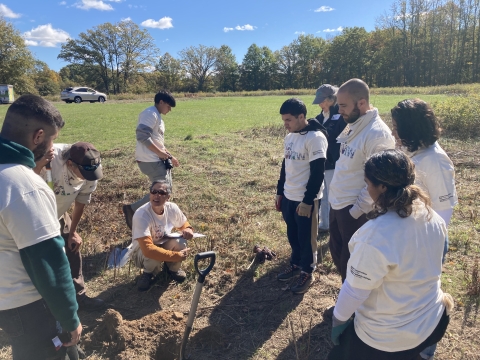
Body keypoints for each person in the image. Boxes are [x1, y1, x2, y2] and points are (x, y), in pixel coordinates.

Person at [328, 149, 453, 360]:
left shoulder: (374, 236)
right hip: (431, 321)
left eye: (368, 183)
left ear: (382, 187)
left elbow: (355, 291)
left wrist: (338, 320)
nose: (366, 189)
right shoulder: (432, 217)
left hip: (386, 339)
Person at [0, 95, 82, 359]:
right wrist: (70, 319)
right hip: (27, 303)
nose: (52, 146)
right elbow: (49, 264)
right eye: (52, 138)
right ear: (38, 136)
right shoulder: (23, 186)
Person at [391, 99, 458, 360]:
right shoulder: (413, 153)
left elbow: (444, 210)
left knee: (424, 294)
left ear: (411, 128)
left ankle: (426, 347)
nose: (393, 132)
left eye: (397, 127)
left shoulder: (435, 160)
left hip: (427, 240)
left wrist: (427, 243)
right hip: (409, 236)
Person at [328, 78, 395, 282]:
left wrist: (356, 210)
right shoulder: (353, 124)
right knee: (339, 254)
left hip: (354, 210)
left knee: (355, 261)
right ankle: (347, 302)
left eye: (343, 106)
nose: (339, 111)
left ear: (362, 103)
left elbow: (380, 180)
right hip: (338, 203)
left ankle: (356, 310)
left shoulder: (377, 134)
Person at [34, 142, 105, 311]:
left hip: (58, 212)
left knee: (73, 249)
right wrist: (38, 165)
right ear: (70, 164)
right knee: (43, 259)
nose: (89, 178)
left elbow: (80, 204)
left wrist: (73, 232)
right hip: (36, 215)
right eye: (85, 173)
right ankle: (46, 304)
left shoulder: (90, 171)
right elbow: (23, 180)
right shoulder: (49, 158)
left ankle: (79, 296)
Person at [275, 98, 328, 294]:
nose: (285, 124)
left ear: (301, 117)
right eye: (283, 120)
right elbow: (285, 166)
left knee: (307, 238)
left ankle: (308, 270)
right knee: (293, 234)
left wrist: (307, 201)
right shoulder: (289, 138)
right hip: (289, 196)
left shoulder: (315, 138)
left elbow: (318, 172)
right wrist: (280, 192)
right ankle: (295, 263)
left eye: (288, 120)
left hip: (306, 199)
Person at [123, 91, 179, 230]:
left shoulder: (157, 116)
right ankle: (134, 210)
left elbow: (157, 142)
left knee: (165, 190)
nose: (169, 110)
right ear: (161, 102)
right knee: (161, 192)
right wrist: (160, 153)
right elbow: (142, 136)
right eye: (168, 106)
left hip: (155, 160)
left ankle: (153, 219)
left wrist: (170, 156)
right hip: (151, 160)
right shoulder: (150, 113)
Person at [131, 180, 194, 291]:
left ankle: (173, 269)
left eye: (161, 192)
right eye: (154, 191)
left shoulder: (172, 208)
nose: (157, 195)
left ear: (168, 197)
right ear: (150, 194)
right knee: (153, 256)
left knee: (181, 242)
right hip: (142, 252)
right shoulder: (141, 214)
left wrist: (188, 229)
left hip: (162, 243)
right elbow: (148, 250)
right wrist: (176, 256)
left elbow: (183, 223)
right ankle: (147, 274)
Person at [312, 84, 347, 233]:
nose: (320, 104)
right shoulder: (319, 118)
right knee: (323, 194)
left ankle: (335, 225)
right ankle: (324, 224)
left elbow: (341, 138)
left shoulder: (340, 117)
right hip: (322, 162)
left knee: (333, 195)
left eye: (322, 100)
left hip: (335, 162)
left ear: (331, 99)